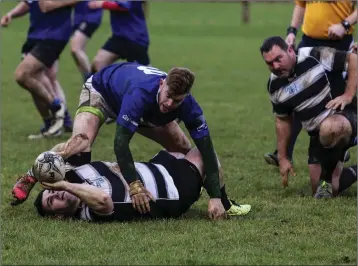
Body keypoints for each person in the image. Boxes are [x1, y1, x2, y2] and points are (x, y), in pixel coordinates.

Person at [12, 63, 236, 220]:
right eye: (167, 95)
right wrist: (135, 186)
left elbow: (206, 149)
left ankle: (223, 204)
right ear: (161, 84)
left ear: (185, 97)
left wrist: (216, 196)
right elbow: (120, 143)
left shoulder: (188, 106)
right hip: (103, 92)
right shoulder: (140, 94)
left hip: (145, 110)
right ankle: (33, 173)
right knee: (81, 144)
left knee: (186, 151)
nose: (169, 103)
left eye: (176, 100)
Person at [31, 144, 251, 221]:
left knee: (175, 140)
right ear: (59, 217)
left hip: (155, 164)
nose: (56, 194)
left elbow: (70, 147)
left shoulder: (72, 174)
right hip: (172, 188)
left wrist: (36, 174)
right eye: (52, 202)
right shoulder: (88, 211)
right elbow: (105, 199)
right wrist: (65, 186)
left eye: (51, 192)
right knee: (205, 153)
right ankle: (223, 203)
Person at [260, 36, 357, 198]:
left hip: (345, 116)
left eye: (279, 59)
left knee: (330, 129)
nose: (275, 66)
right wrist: (283, 158)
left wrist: (348, 95)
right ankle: (335, 169)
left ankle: (327, 175)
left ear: (290, 50)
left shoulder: (313, 55)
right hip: (318, 134)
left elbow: (353, 59)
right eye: (269, 63)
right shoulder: (275, 86)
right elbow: (282, 120)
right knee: (323, 190)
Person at [264, 0, 357, 167]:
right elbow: (300, 4)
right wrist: (292, 30)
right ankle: (284, 154)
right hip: (309, 41)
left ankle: (340, 144)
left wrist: (345, 24)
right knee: (297, 95)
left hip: (339, 42)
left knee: (335, 98)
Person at [1, 0, 75, 138]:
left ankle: (58, 109)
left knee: (22, 74)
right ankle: (50, 124)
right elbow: (29, 3)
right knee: (34, 79)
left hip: (54, 35)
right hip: (36, 34)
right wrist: (11, 14)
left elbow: (45, 6)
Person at [88, 0, 151, 74]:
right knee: (98, 64)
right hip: (118, 37)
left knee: (144, 74)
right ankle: (96, 84)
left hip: (134, 39)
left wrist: (102, 3)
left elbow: (124, 6)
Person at [71, 0, 103, 82]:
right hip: (78, 17)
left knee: (75, 49)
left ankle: (92, 80)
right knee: (78, 52)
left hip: (90, 16)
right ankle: (88, 82)